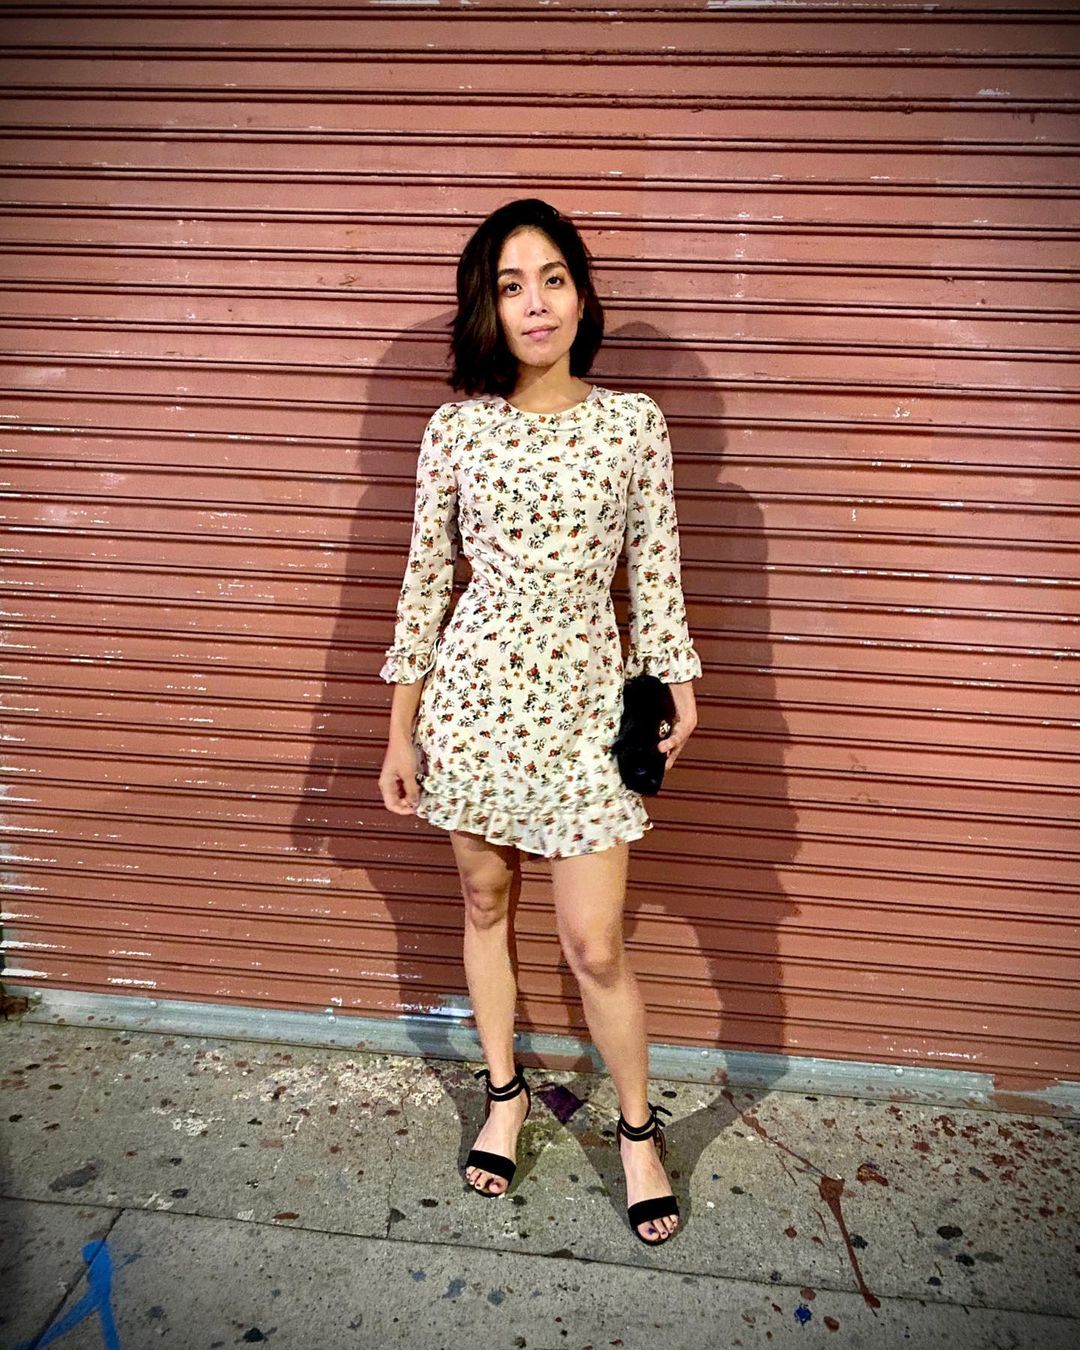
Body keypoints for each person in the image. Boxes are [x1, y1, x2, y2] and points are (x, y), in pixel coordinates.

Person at [377, 198, 702, 1246]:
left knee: (594, 943)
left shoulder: (633, 423)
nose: (535, 302)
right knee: (485, 901)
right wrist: (400, 729)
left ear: (581, 294)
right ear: (487, 307)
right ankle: (506, 1096)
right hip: (473, 704)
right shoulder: (457, 429)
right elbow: (426, 584)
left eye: (553, 278)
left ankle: (638, 1130)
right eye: (511, 285)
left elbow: (655, 571)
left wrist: (676, 680)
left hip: (585, 708)